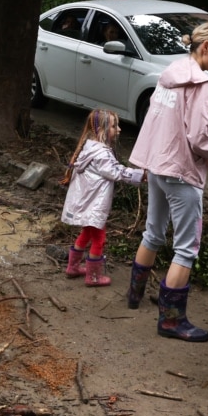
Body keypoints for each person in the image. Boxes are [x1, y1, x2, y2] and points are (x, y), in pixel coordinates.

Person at [125, 21, 208, 342]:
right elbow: (200, 137)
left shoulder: (170, 73)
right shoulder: (201, 84)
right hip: (182, 170)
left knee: (153, 232)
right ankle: (171, 321)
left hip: (157, 164)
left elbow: (154, 120)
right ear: (205, 48)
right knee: (186, 248)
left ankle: (134, 295)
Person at [61, 109, 146, 286]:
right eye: (115, 126)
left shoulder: (89, 147)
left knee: (86, 233)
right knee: (99, 239)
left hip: (86, 203)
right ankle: (93, 277)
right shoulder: (101, 154)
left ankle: (72, 267)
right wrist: (140, 175)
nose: (120, 129)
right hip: (95, 205)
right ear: (101, 130)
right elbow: (117, 172)